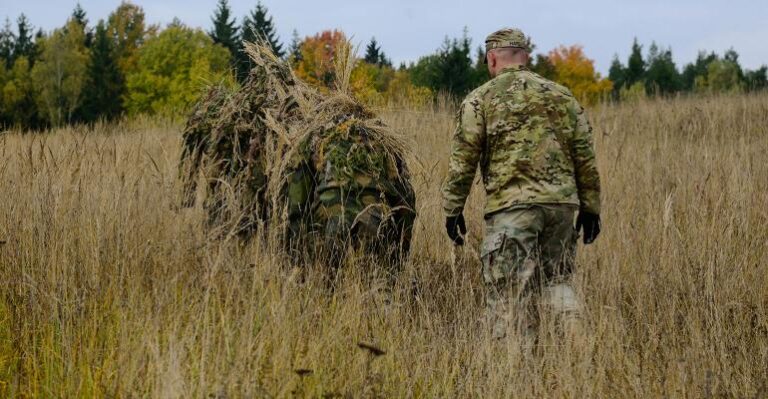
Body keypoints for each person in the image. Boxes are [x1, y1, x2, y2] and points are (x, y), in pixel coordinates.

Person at [441, 28, 601, 338]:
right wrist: (591, 207)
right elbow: (585, 154)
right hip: (561, 208)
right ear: (525, 57)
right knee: (558, 282)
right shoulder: (561, 95)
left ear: (491, 59)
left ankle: (514, 377)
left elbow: (463, 161)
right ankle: (580, 354)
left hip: (512, 210)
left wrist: (452, 209)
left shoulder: (480, 100)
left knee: (508, 296)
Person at [283, 106, 416, 271]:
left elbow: (297, 203)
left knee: (327, 281)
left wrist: (295, 256)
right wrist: (399, 258)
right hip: (374, 224)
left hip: (329, 225)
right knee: (375, 283)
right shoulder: (383, 141)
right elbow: (406, 204)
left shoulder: (315, 137)